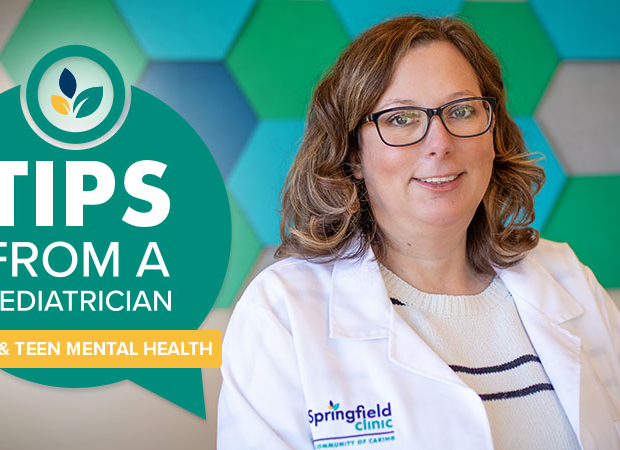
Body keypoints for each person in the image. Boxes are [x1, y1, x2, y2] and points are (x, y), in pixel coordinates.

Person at [217, 15, 620, 450]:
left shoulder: (569, 279)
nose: (440, 143)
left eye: (461, 111)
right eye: (401, 119)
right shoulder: (282, 313)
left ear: (493, 133)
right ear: (353, 155)